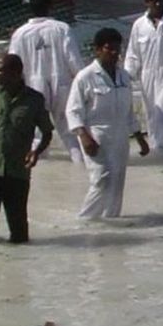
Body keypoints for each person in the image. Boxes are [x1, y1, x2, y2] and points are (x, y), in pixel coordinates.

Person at [66, 29, 149, 219]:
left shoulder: (124, 77)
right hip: (96, 136)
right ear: (97, 50)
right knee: (101, 179)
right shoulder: (85, 77)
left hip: (120, 137)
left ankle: (111, 220)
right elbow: (73, 110)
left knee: (117, 180)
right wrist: (83, 136)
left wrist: (139, 137)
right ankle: (85, 220)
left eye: (117, 49)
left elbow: (129, 111)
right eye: (108, 48)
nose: (114, 53)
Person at [8, 0, 82, 162]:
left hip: (33, 86)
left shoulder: (20, 34)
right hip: (62, 83)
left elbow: (13, 65)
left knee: (37, 134)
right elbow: (74, 61)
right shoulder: (62, 28)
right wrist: (83, 84)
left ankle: (39, 171)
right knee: (69, 129)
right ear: (51, 7)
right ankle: (80, 167)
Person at [0, 54, 55, 243]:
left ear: (16, 74)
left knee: (19, 232)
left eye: (1, 70)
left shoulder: (34, 100)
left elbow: (47, 132)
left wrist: (36, 152)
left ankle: (19, 265)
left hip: (17, 171)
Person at [124, 0, 163, 151]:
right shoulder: (139, 25)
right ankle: (159, 152)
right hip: (147, 76)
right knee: (152, 115)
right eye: (153, 0)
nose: (158, 4)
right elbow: (133, 54)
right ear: (146, 2)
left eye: (161, 0)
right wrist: (126, 77)